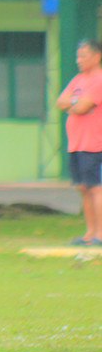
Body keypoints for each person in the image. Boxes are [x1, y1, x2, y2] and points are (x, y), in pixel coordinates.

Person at [55, 39, 102, 245]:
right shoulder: (78, 80)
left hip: (94, 144)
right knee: (83, 187)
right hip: (76, 143)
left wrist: (73, 104)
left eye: (83, 56)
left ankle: (100, 234)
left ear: (96, 56)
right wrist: (75, 103)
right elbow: (60, 102)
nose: (78, 60)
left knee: (95, 187)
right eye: (77, 56)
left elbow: (82, 107)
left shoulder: (99, 80)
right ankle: (89, 233)